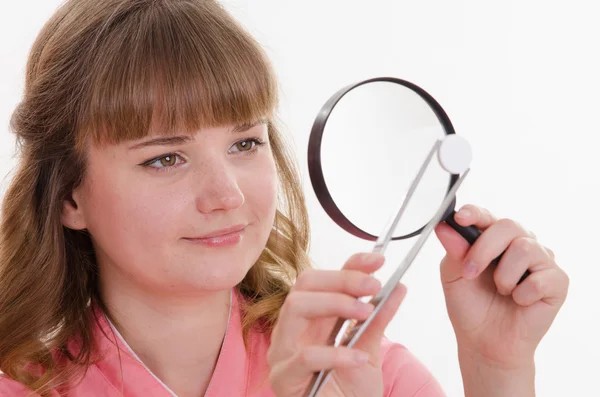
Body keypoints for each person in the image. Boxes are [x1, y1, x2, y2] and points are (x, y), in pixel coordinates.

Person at [0, 0, 569, 396]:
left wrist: (496, 369)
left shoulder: (366, 374)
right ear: (68, 197)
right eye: (165, 158)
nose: (226, 195)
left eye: (246, 142)